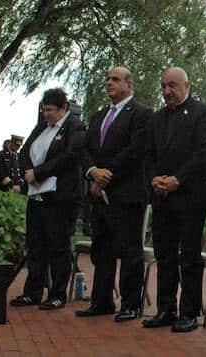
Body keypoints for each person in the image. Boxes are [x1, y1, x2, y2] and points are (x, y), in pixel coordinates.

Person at [142, 67, 206, 333]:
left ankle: (189, 312)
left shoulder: (204, 113)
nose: (167, 91)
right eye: (163, 86)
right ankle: (166, 309)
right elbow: (148, 154)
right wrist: (155, 179)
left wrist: (178, 179)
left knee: (189, 256)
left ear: (187, 85)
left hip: (191, 196)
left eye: (172, 86)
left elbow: (205, 152)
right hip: (162, 196)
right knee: (164, 255)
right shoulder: (156, 118)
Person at [75, 67, 151, 322]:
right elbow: (85, 150)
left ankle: (130, 304)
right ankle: (102, 301)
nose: (109, 83)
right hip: (99, 194)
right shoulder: (98, 116)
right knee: (102, 250)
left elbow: (135, 151)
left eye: (115, 79)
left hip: (126, 194)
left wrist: (107, 175)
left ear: (129, 85)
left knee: (130, 252)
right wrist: (93, 172)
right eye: (107, 79)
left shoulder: (141, 114)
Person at [10, 88, 86, 310]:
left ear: (63, 109)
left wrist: (40, 172)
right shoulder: (42, 127)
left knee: (58, 247)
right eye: (44, 110)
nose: (46, 115)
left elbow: (69, 157)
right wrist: (27, 173)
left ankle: (57, 293)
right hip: (37, 196)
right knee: (35, 246)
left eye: (50, 110)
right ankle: (32, 292)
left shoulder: (75, 127)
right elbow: (24, 153)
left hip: (61, 199)